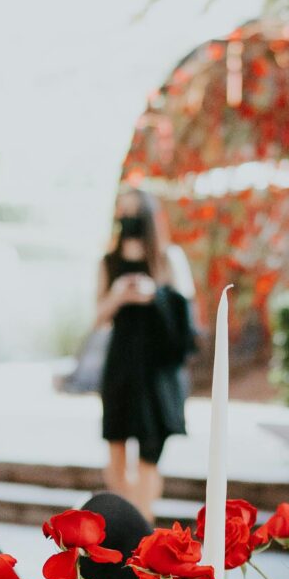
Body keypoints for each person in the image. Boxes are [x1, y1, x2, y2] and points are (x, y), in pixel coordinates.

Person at [94, 187, 196, 518]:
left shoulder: (168, 258)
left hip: (156, 370)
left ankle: (142, 522)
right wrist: (118, 296)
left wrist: (156, 294)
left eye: (134, 212)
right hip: (121, 365)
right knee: (116, 445)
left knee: (150, 451)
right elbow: (97, 318)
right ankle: (124, 520)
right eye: (122, 211)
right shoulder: (109, 261)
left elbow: (186, 313)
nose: (128, 219)